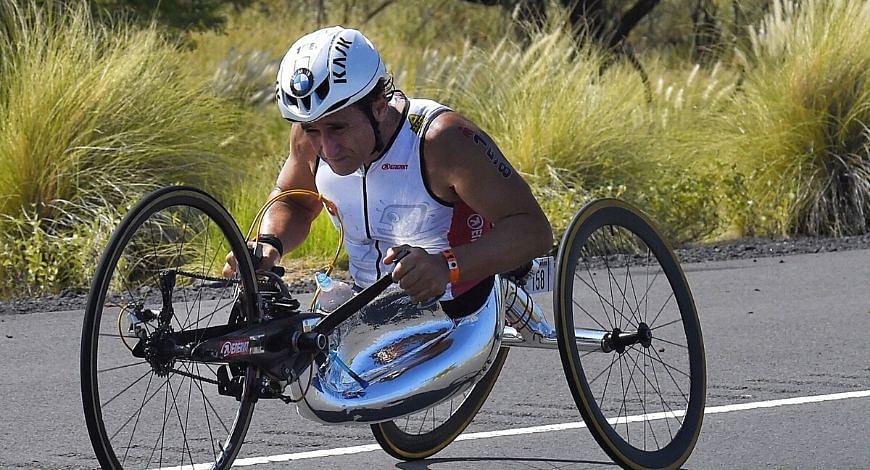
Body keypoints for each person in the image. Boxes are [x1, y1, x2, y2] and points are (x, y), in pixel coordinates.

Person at [224, 26, 552, 313]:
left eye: (338, 128)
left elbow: (533, 231)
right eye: (312, 130)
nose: (326, 148)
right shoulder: (308, 137)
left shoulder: (442, 140)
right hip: (369, 307)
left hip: (456, 302)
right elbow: (294, 200)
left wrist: (446, 266)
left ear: (380, 105)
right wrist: (269, 244)